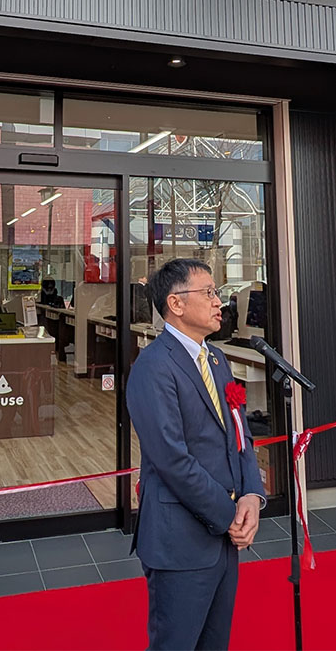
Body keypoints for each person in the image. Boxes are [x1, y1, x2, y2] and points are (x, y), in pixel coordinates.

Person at [127, 259, 266, 650]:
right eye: (208, 293)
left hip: (224, 540)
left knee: (215, 642)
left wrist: (251, 495)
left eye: (216, 292)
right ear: (176, 304)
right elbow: (173, 460)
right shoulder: (153, 367)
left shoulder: (217, 360)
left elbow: (239, 434)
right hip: (181, 541)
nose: (218, 301)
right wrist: (229, 515)